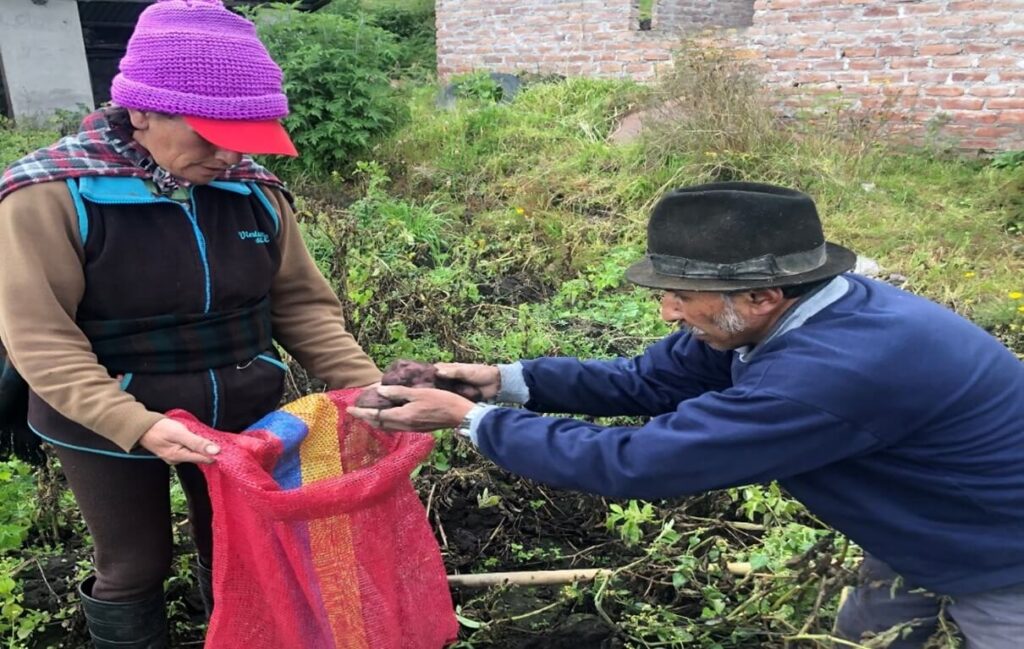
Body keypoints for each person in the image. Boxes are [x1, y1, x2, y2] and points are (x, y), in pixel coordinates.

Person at [350, 182, 1024, 648]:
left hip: (1003, 556)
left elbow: (639, 462)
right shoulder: (787, 315)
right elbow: (647, 380)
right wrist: (502, 381)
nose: (668, 311)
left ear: (760, 294)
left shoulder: (833, 371)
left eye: (678, 295)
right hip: (919, 530)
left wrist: (469, 420)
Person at [0, 1, 381, 646]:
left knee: (241, 552)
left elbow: (303, 306)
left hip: (240, 415)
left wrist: (367, 390)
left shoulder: (253, 190)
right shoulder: (51, 194)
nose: (231, 153)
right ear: (141, 112)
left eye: (246, 134)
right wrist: (135, 424)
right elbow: (41, 338)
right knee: (134, 564)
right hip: (105, 416)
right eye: (208, 133)